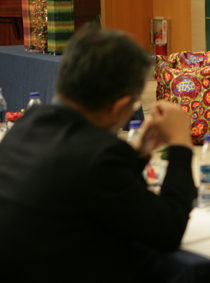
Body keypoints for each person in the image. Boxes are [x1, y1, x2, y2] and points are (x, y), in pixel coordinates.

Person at [0, 25, 197, 282]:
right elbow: (167, 230)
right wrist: (180, 145)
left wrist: (138, 153)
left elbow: (98, 191)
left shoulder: (27, 124)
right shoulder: (98, 156)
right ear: (119, 106)